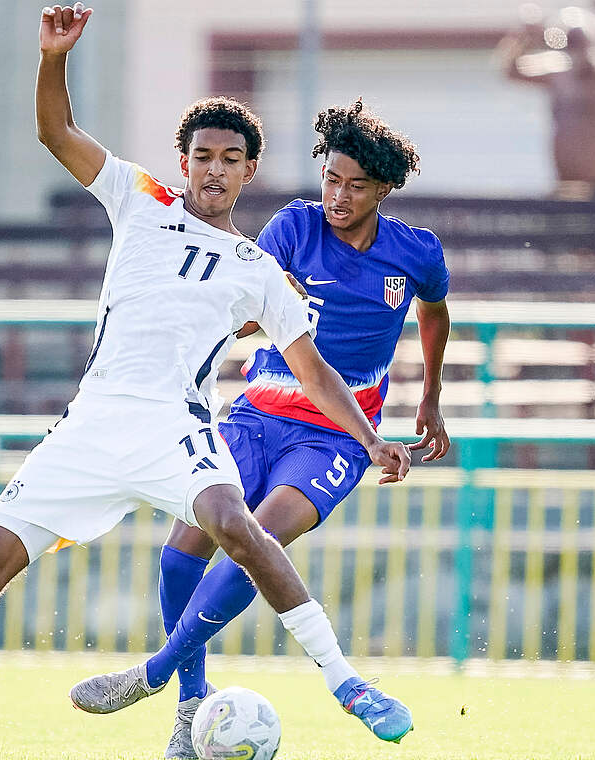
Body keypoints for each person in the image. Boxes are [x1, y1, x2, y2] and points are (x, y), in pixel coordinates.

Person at [0, 6, 415, 760]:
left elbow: (316, 372)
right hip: (93, 422)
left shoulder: (260, 270)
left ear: (248, 171)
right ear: (185, 159)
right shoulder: (138, 197)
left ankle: (344, 680)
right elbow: (55, 133)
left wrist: (370, 438)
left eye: (231, 158)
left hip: (176, 425)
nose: (215, 169)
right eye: (203, 155)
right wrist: (52, 57)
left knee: (237, 525)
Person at [93, 99, 451, 759]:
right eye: (332, 179)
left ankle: (156, 669)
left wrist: (429, 395)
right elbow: (250, 302)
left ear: (385, 190)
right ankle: (189, 704)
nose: (339, 196)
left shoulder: (416, 254)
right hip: (257, 414)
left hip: (334, 435)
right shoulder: (293, 228)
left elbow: (435, 312)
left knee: (256, 539)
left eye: (358, 186)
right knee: (181, 548)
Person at [498, 2, 595, 198]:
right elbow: (512, 71)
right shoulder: (557, 74)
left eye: (582, 41)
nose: (578, 49)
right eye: (571, 42)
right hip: (568, 188)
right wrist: (526, 35)